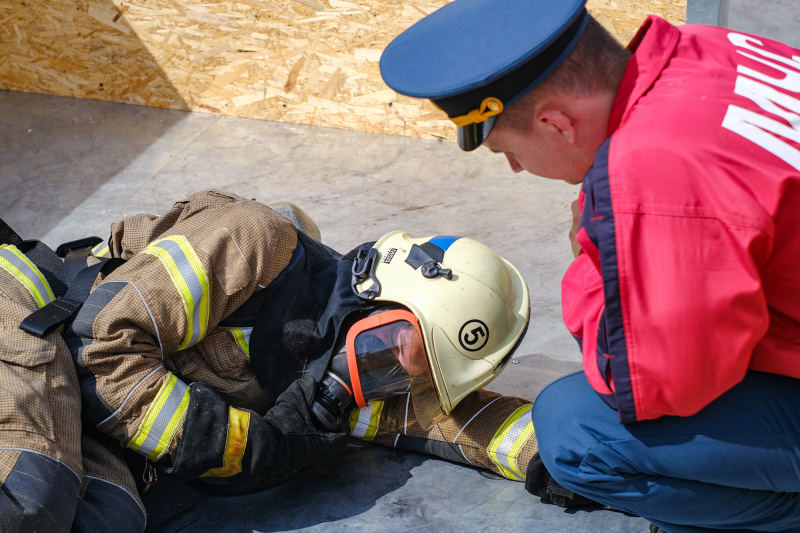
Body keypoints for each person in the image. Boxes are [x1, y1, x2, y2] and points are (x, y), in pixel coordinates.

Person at [378, 0, 800, 531]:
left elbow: (646, 383)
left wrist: (593, 245)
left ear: (556, 125)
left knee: (574, 430)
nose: (514, 167)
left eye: (506, 150)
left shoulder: (651, 172)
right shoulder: (709, 51)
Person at [0, 189, 542, 530]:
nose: (392, 369)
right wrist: (224, 443)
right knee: (32, 495)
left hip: (93, 419)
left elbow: (468, 424)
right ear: (383, 288)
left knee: (105, 518)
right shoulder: (256, 241)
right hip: (35, 316)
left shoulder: (361, 379)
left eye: (414, 373)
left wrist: (564, 455)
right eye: (399, 339)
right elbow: (103, 339)